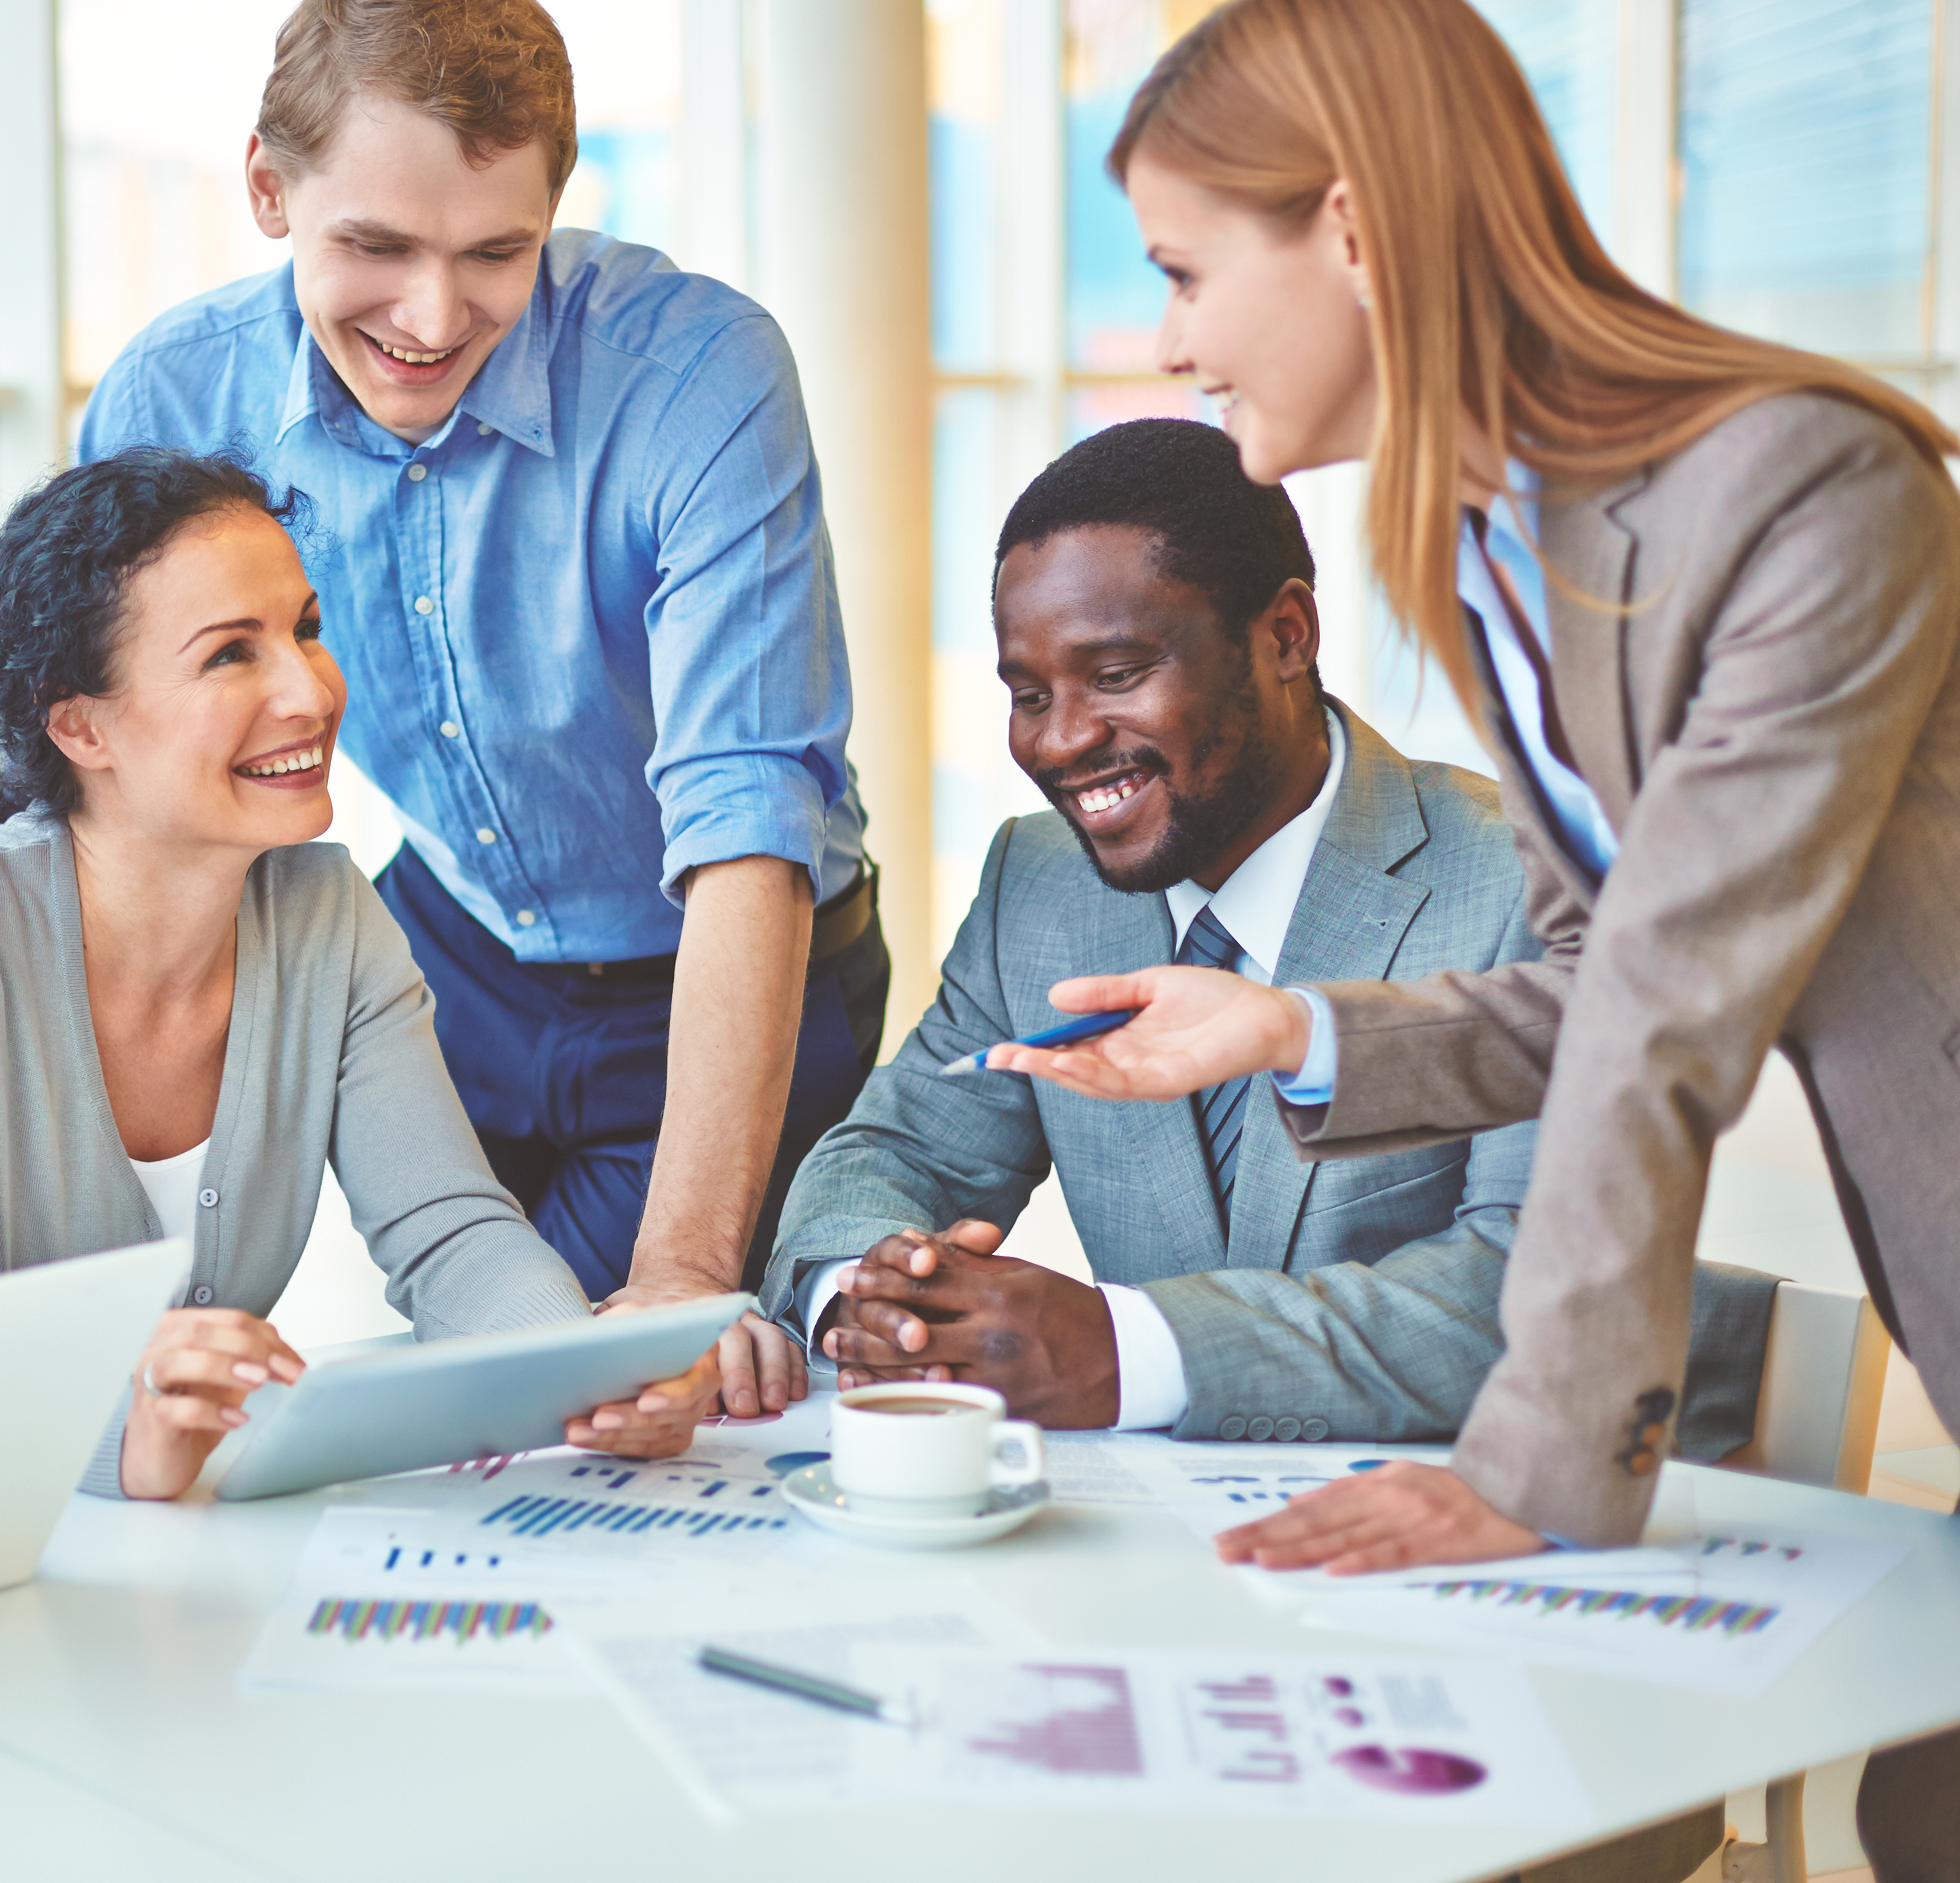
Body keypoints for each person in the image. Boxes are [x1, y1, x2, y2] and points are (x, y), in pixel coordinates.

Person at [976, 0, 1960, 1883]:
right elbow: (1605, 975)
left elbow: (1676, 1015)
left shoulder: (1805, 492)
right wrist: (1294, 1036)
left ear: (1347, 225)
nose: (1171, 339)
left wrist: (1530, 1465)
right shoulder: (1505, 541)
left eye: (1183, 268)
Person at [74, 0, 884, 1419]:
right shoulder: (171, 402)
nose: (434, 317)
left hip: (731, 970)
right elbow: (115, 798)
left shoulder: (701, 375)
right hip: (451, 960)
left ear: (554, 217)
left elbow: (745, 823)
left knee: (621, 1398)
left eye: (497, 254)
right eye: (377, 246)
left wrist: (687, 1273)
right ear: (269, 189)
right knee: (473, 1398)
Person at [761, 419, 1779, 1457]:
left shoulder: (1525, 879)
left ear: (1288, 636)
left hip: (1500, 1514)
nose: (1060, 739)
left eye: (1116, 674)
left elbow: (1533, 1282)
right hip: (1183, 1543)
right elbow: (900, 1148)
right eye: (1028, 695)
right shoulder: (1041, 882)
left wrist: (1127, 1349)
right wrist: (873, 1298)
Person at [0, 449, 713, 1504]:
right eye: (233, 655)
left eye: (307, 631)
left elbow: (454, 1236)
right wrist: (121, 1448)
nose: (310, 690)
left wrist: (585, 1379)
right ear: (78, 724)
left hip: (192, 1551)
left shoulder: (327, 911)